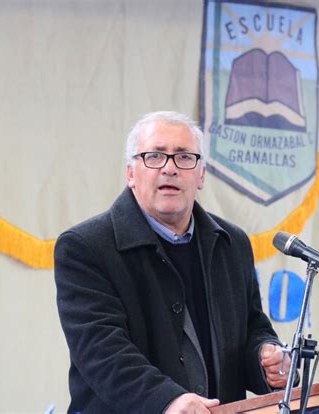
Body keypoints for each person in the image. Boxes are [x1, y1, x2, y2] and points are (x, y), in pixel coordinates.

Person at [54, 111, 291, 414]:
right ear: (130, 173)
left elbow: (253, 328)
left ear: (201, 175)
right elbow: (101, 350)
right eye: (154, 156)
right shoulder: (85, 247)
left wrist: (266, 358)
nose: (169, 169)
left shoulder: (232, 243)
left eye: (184, 157)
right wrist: (166, 399)